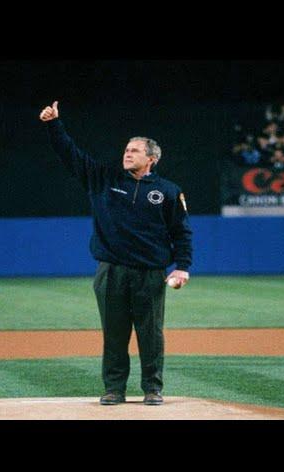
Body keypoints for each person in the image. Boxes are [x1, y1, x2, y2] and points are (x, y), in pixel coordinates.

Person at [39, 101, 193, 406]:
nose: (127, 153)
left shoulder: (168, 191)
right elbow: (71, 155)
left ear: (151, 158)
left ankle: (152, 388)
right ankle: (114, 389)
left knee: (150, 335)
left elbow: (181, 232)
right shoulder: (104, 179)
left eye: (134, 150)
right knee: (114, 335)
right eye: (126, 149)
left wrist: (182, 266)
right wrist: (54, 125)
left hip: (150, 274)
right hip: (111, 271)